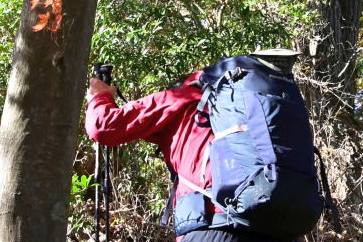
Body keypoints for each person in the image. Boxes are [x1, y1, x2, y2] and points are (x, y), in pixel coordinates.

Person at [85, 49, 301, 242]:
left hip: (214, 226)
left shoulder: (182, 97)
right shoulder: (255, 107)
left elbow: (102, 125)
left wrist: (99, 95)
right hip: (283, 229)